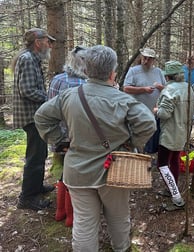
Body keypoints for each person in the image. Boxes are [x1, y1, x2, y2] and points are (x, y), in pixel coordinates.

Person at [34, 45, 156, 251]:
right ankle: (121, 248)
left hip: (77, 171)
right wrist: (131, 143)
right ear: (112, 72)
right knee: (118, 217)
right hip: (116, 171)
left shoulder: (69, 96)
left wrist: (61, 141)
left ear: (86, 70)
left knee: (83, 222)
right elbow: (148, 124)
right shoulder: (123, 100)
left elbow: (41, 117)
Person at [11, 27, 56, 211]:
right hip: (31, 116)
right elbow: (27, 90)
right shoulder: (28, 59)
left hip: (34, 115)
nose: (49, 44)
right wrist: (49, 98)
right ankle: (27, 197)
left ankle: (36, 187)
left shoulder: (32, 59)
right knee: (35, 157)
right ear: (38, 42)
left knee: (40, 154)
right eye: (47, 41)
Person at [48, 45, 88, 227]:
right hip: (77, 138)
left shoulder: (56, 80)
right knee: (75, 177)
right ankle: (71, 217)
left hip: (58, 137)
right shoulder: (86, 85)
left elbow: (47, 109)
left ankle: (60, 212)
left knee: (61, 173)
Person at [155, 60, 194, 209]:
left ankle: (177, 198)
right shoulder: (188, 87)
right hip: (183, 131)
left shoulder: (169, 90)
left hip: (170, 133)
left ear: (167, 77)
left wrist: (155, 111)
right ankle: (172, 189)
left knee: (162, 164)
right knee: (174, 161)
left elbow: (164, 114)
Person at [123, 47, 166, 154]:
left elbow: (166, 89)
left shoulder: (159, 72)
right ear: (141, 57)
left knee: (150, 137)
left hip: (153, 112)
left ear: (153, 60)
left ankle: (147, 156)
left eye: (149, 59)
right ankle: (136, 155)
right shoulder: (134, 71)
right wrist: (143, 89)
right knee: (136, 137)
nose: (146, 61)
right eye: (144, 58)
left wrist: (161, 88)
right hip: (136, 112)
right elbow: (126, 88)